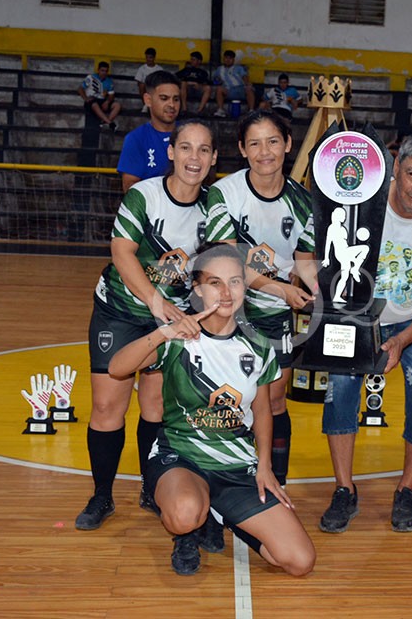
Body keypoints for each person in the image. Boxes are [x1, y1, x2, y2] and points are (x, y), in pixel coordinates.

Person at [107, 242, 316, 577]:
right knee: (184, 512)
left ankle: (222, 515)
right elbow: (117, 368)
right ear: (198, 288)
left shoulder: (260, 346)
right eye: (215, 283)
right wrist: (163, 333)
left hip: (237, 467)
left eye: (234, 281)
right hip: (183, 458)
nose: (226, 292)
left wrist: (265, 467)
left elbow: (263, 411)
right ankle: (188, 531)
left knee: (298, 561)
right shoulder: (179, 338)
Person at [319, 133, 412, 533]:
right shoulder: (362, 200)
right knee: (339, 392)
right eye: (410, 174)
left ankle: (407, 489)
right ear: (394, 167)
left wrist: (401, 341)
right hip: (358, 312)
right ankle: (344, 489)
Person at [76, 120, 218, 531]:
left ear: (212, 158)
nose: (194, 158)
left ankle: (149, 486)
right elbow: (122, 253)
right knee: (107, 407)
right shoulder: (144, 195)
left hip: (171, 318)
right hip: (121, 310)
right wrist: (157, 302)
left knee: (155, 406)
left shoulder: (214, 207)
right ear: (171, 152)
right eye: (186, 148)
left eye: (204, 150)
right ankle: (102, 495)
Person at [205, 110, 317, 486]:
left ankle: (276, 480)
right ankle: (227, 476)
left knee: (273, 401)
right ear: (242, 149)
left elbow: (305, 263)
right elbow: (227, 262)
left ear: (287, 144)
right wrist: (283, 289)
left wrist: (323, 295)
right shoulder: (225, 192)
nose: (264, 151)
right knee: (227, 397)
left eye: (273, 141)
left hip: (274, 317)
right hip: (226, 312)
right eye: (254, 143)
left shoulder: (305, 203)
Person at [117, 70, 181, 193]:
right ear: (148, 100)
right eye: (164, 98)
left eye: (176, 99)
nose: (171, 105)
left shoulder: (191, 135)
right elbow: (130, 188)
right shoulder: (136, 139)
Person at [77, 61, 121, 131]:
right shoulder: (90, 78)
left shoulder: (109, 81)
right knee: (94, 104)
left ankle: (104, 123)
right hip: (91, 100)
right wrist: (85, 98)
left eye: (106, 71)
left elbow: (111, 95)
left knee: (117, 105)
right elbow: (80, 89)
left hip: (102, 100)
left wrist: (107, 102)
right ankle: (110, 123)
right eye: (102, 70)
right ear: (98, 70)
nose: (104, 73)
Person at [212, 49, 255, 117]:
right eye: (226, 58)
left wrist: (247, 83)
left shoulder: (239, 68)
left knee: (249, 89)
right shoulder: (219, 69)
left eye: (230, 58)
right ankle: (220, 110)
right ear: (224, 59)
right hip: (228, 90)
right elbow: (215, 79)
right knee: (219, 89)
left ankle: (251, 111)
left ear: (233, 60)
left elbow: (244, 76)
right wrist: (218, 80)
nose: (228, 60)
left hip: (240, 89)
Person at [176, 51, 212, 115]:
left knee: (208, 88)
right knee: (183, 83)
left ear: (199, 61)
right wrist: (188, 83)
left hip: (198, 89)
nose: (191, 61)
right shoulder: (186, 70)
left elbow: (207, 82)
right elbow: (176, 77)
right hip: (187, 89)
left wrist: (200, 85)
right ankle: (184, 109)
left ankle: (199, 110)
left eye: (194, 59)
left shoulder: (203, 72)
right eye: (191, 59)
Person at [134, 48, 163, 113]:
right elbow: (138, 82)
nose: (148, 59)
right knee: (142, 85)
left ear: (154, 58)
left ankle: (148, 106)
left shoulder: (159, 69)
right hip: (145, 89)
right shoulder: (142, 69)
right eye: (147, 57)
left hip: (155, 88)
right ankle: (146, 104)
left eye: (150, 57)